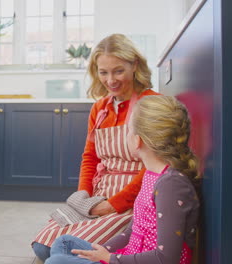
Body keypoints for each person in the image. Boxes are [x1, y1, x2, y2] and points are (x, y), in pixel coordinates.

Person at [32, 33, 160, 261]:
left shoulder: (151, 103)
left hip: (131, 201)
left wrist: (113, 205)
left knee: (63, 252)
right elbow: (90, 157)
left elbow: (154, 166)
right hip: (98, 197)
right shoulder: (100, 109)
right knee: (42, 247)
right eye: (103, 72)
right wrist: (84, 196)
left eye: (118, 70)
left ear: (135, 65)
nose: (110, 80)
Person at [45, 95, 200, 264]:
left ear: (137, 140)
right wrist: (105, 250)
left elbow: (166, 259)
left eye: (129, 130)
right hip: (128, 255)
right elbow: (131, 231)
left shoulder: (171, 185)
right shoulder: (151, 174)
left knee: (56, 261)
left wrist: (110, 258)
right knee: (64, 242)